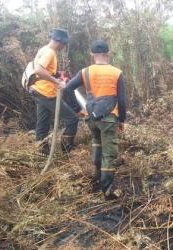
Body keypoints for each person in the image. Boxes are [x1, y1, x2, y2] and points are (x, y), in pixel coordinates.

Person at [64, 40, 126, 200]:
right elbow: (122, 100)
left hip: (91, 117)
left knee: (97, 143)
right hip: (109, 117)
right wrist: (122, 120)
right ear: (108, 54)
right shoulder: (116, 72)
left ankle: (96, 178)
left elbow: (68, 89)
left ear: (92, 55)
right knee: (109, 153)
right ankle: (107, 190)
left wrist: (79, 110)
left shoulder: (85, 72)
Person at [29, 28, 81, 156]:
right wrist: (57, 82)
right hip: (46, 93)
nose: (64, 46)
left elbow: (44, 70)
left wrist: (57, 75)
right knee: (72, 119)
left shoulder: (44, 49)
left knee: (43, 123)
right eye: (64, 43)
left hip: (37, 90)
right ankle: (66, 151)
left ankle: (41, 153)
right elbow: (38, 70)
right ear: (60, 42)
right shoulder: (50, 52)